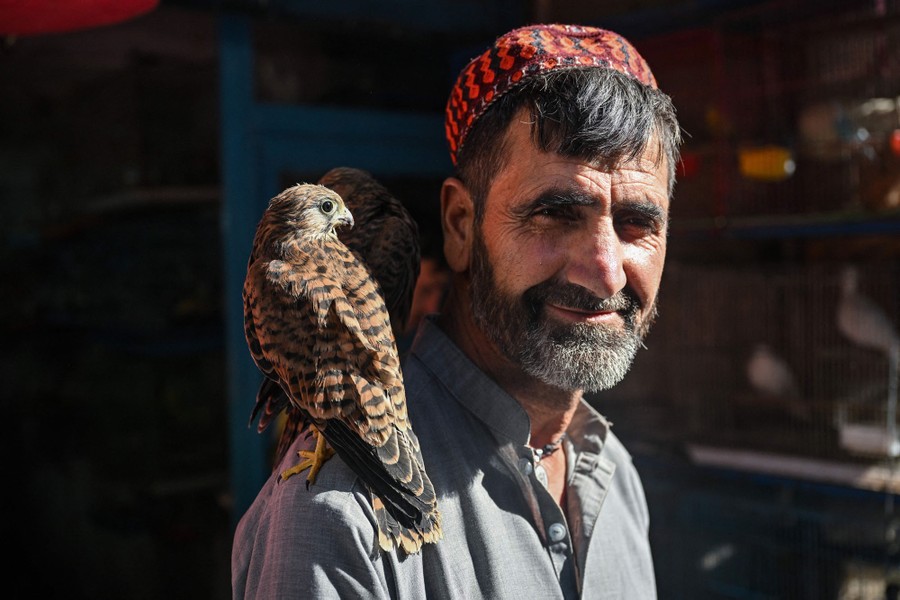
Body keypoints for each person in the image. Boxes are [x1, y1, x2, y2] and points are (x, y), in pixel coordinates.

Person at [232, 23, 681, 599]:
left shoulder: (614, 475)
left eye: (638, 224)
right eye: (556, 214)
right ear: (460, 227)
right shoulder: (337, 516)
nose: (605, 271)